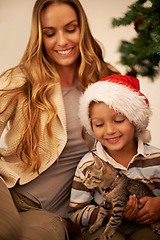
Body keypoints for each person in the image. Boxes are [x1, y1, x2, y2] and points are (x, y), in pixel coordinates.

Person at [0, 0, 120, 239]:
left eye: (70, 28)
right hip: (8, 190)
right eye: (50, 33)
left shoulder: (107, 82)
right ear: (39, 37)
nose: (62, 41)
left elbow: (132, 152)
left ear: (82, 29)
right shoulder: (21, 79)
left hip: (50, 213)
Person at [69, 74, 160, 240]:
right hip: (103, 228)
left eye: (118, 120)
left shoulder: (156, 158)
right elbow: (76, 213)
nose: (110, 130)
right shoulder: (88, 164)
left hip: (145, 226)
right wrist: (109, 212)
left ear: (135, 120)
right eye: (99, 124)